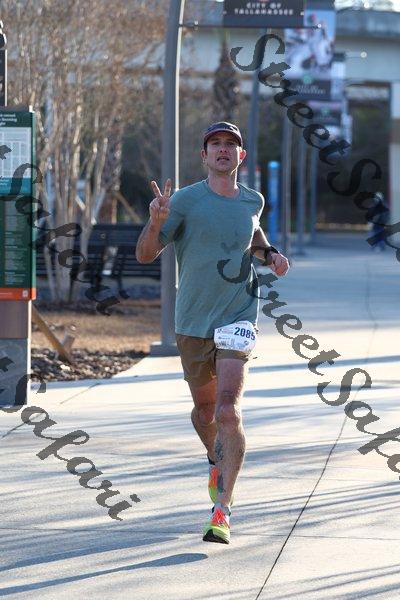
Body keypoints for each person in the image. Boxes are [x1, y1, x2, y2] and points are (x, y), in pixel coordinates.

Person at [136, 121, 289, 544]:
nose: (223, 150)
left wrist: (270, 254)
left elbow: (252, 233)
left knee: (227, 412)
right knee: (205, 413)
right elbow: (146, 255)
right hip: (193, 320)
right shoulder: (184, 200)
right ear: (204, 156)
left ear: (241, 156)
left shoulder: (253, 199)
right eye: (215, 144)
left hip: (239, 313)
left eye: (230, 145)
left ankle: (222, 509)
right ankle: (214, 458)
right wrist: (155, 222)